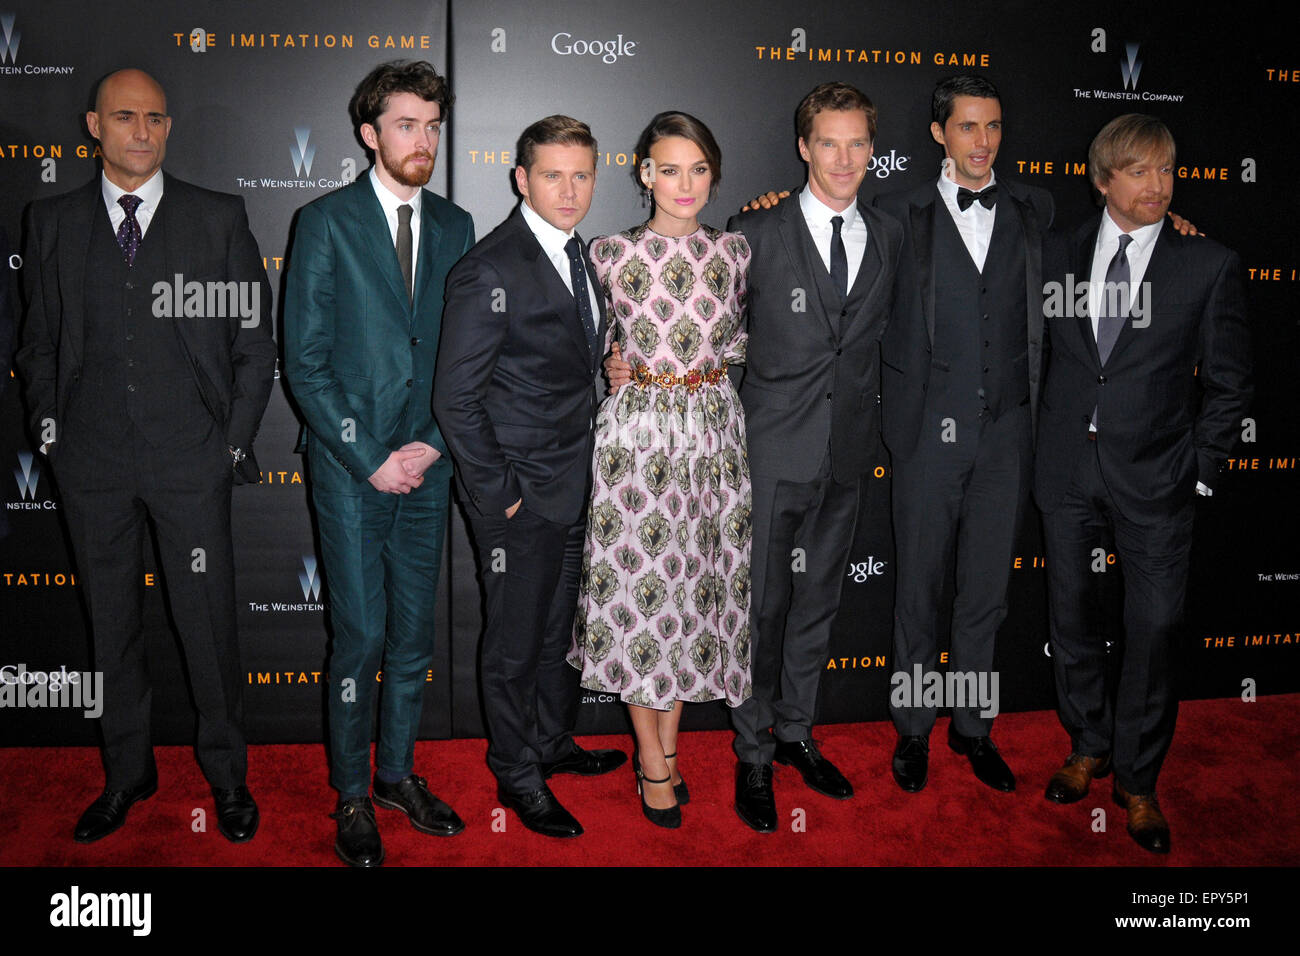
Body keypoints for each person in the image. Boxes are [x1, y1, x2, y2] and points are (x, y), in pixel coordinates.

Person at [610, 83, 902, 831]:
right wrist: (620, 364)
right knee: (757, 611)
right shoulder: (754, 234)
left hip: (847, 455)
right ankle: (752, 756)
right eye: (828, 142)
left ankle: (797, 731)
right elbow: (685, 330)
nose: (844, 158)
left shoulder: (894, 232)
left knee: (818, 607)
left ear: (874, 149)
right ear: (803, 147)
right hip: (764, 453)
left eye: (858, 143)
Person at [16, 68, 276, 844]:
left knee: (208, 625)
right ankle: (127, 773)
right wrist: (51, 434)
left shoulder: (215, 218)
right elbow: (36, 345)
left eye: (156, 117)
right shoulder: (51, 220)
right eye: (125, 116)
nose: (142, 131)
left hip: (189, 462)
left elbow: (253, 345)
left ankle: (228, 776)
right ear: (94, 126)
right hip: (89, 465)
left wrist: (226, 446)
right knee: (109, 629)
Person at [1035, 114, 1251, 853]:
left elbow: (1229, 383)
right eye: (1139, 171)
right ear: (1102, 180)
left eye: (1166, 171)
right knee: (1071, 618)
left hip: (1158, 479)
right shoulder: (1054, 253)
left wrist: (1201, 471)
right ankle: (1087, 744)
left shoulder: (1206, 264)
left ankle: (1137, 779)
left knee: (1154, 631)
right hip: (1066, 471)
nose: (1157, 185)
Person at [283, 60, 474, 868]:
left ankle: (395, 774)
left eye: (432, 125)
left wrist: (430, 442)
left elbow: (466, 357)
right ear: (369, 133)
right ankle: (351, 795)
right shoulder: (324, 222)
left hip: (430, 466)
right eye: (406, 124)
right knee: (358, 636)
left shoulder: (460, 226)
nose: (423, 140)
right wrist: (369, 458)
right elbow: (305, 361)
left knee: (412, 638)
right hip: (352, 471)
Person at [433, 116, 626, 839]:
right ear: (521, 179)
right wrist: (502, 494)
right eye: (553, 175)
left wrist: (607, 371)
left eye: (582, 174)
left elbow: (568, 360)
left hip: (576, 482)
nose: (570, 189)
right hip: (517, 496)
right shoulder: (491, 266)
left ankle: (550, 742)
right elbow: (454, 396)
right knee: (515, 643)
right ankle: (516, 773)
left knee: (556, 634)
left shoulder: (582, 255)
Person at [567, 112, 751, 829]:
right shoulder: (607, 253)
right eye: (669, 169)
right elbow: (581, 347)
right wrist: (614, 369)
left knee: (692, 599)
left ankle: (669, 747)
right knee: (641, 601)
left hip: (713, 441)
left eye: (699, 169)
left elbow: (735, 346)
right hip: (637, 445)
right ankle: (651, 761)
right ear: (643, 172)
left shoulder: (737, 251)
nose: (685, 184)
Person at [874, 76, 1053, 795]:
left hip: (1008, 431)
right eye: (969, 127)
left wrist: (1180, 228)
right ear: (939, 133)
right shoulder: (896, 213)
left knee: (986, 592)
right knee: (918, 588)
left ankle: (974, 730)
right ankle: (914, 730)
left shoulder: (1036, 210)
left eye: (994, 127)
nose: (983, 143)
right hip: (925, 434)